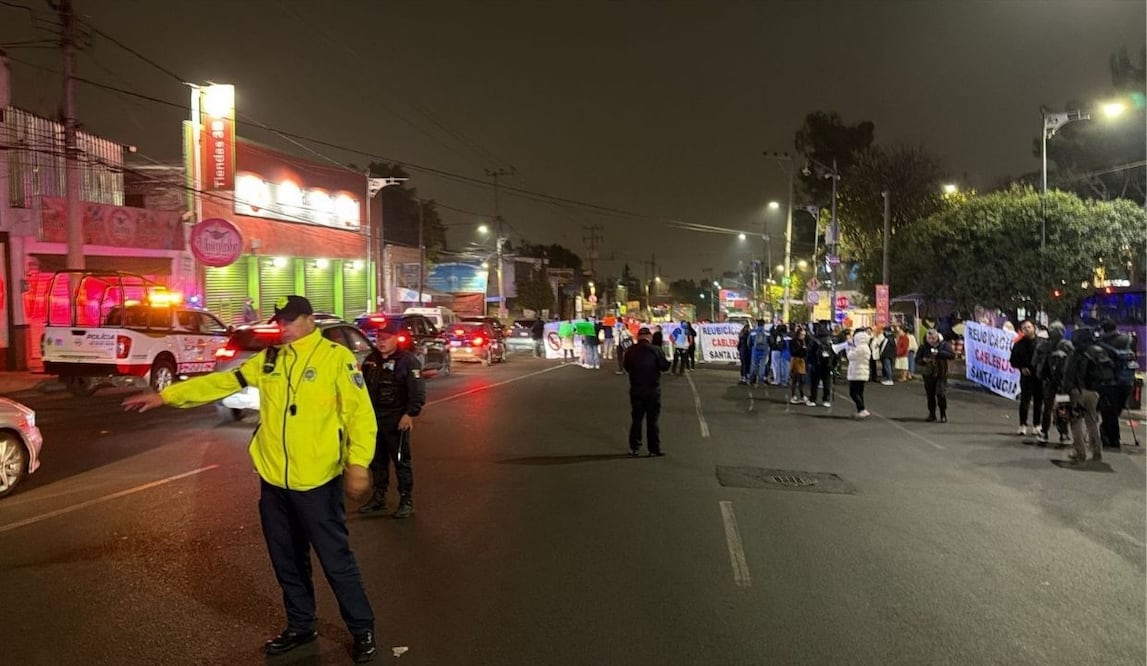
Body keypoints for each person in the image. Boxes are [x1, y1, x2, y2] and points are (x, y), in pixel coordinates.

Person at [121, 295, 379, 662]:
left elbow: (359, 416)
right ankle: (301, 625)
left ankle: (362, 628)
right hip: (274, 481)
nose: (282, 327)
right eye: (279, 321)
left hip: (318, 482)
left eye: (289, 320)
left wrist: (358, 463)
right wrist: (167, 396)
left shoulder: (336, 359)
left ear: (308, 320)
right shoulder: (270, 359)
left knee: (336, 561)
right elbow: (222, 383)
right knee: (286, 560)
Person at [358, 319, 426, 519]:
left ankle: (406, 500)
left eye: (386, 338)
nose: (381, 342)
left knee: (400, 461)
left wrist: (410, 414)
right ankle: (378, 498)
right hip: (373, 420)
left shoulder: (408, 361)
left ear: (396, 339)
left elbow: (417, 390)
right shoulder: (371, 360)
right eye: (379, 338)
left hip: (397, 419)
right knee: (377, 462)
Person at [1061, 327, 1109, 463]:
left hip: (1077, 391)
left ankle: (1079, 452)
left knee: (1075, 421)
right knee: (1092, 422)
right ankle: (1097, 451)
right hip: (1094, 392)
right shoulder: (1099, 352)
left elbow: (1068, 375)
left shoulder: (1076, 353)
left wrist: (1065, 393)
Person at [623, 327, 671, 456]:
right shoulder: (656, 350)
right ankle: (653, 449)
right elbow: (665, 366)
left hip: (636, 389)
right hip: (652, 389)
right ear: (649, 337)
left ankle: (634, 447)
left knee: (636, 419)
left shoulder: (630, 350)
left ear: (638, 337)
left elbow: (626, 366)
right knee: (652, 420)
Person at [1096, 319, 1136, 450]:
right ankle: (1112, 436)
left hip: (1108, 382)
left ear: (1104, 329)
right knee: (1116, 410)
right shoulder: (1128, 339)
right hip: (1126, 381)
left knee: (1108, 411)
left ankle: (1110, 436)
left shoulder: (1102, 343)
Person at [1033, 321, 1073, 445]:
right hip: (1062, 382)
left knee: (1047, 408)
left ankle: (1044, 432)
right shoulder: (1068, 346)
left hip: (1048, 381)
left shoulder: (1043, 345)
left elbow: (1034, 362)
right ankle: (1064, 433)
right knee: (1063, 407)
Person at [1010, 320, 1042, 436]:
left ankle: (1037, 425)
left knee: (1038, 401)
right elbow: (1013, 360)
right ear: (1022, 330)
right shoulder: (1019, 344)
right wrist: (1021, 367)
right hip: (1026, 377)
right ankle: (1022, 424)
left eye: (1029, 327)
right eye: (1024, 328)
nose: (1027, 329)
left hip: (1039, 376)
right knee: (1025, 401)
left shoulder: (1041, 343)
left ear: (1033, 328)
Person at [916, 328, 955, 423]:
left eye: (933, 337)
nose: (931, 339)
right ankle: (932, 414)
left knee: (941, 394)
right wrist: (923, 360)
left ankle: (943, 414)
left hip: (941, 373)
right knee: (930, 395)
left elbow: (952, 355)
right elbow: (917, 359)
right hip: (928, 374)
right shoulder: (923, 347)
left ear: (937, 337)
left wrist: (939, 353)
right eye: (929, 338)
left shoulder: (944, 345)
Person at [807, 323, 837, 407]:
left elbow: (809, 352)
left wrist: (810, 362)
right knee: (826, 382)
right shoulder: (830, 341)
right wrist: (833, 364)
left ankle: (813, 399)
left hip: (816, 364)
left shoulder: (814, 340)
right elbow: (835, 353)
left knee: (814, 383)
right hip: (827, 365)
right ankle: (826, 400)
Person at [846, 328, 872, 418]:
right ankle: (861, 410)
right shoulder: (866, 347)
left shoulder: (860, 348)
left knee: (853, 392)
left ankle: (862, 409)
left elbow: (850, 356)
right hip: (863, 373)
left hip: (857, 373)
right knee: (859, 392)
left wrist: (850, 347)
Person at [789, 326, 813, 405]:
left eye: (804, 335)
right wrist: (801, 349)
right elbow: (793, 352)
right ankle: (794, 395)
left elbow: (806, 351)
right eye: (802, 334)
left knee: (801, 379)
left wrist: (805, 350)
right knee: (796, 379)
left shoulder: (804, 341)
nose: (803, 336)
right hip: (796, 360)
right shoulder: (793, 341)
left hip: (802, 360)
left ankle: (801, 395)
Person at [748, 319, 770, 386]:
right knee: (762, 366)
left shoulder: (753, 332)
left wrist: (751, 348)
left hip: (755, 351)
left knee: (753, 366)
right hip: (764, 352)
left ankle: (751, 380)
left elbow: (749, 342)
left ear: (757, 324)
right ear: (764, 324)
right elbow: (771, 341)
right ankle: (760, 381)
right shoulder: (767, 332)